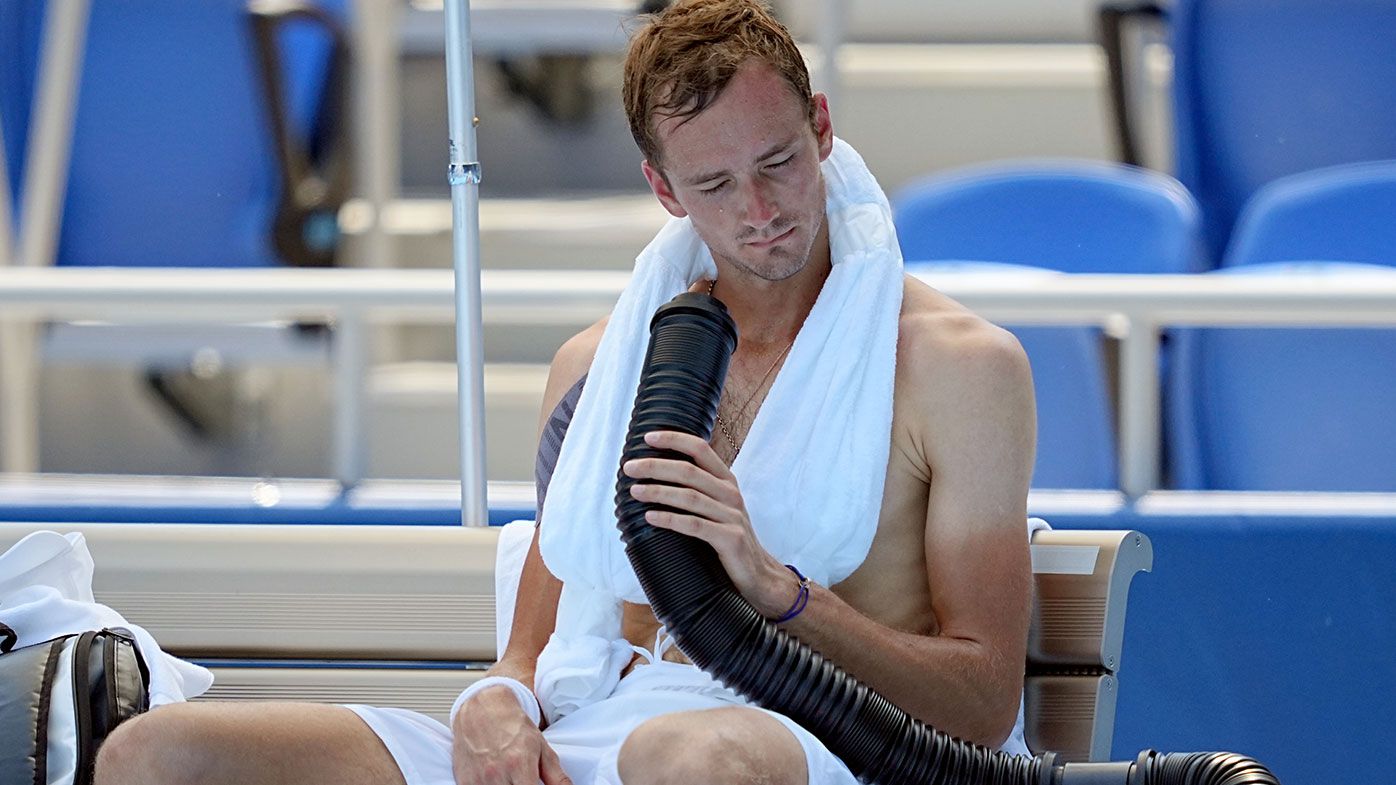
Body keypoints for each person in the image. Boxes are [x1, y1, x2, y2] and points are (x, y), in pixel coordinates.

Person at [94, 2, 1034, 784]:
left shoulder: (959, 368)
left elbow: (985, 706)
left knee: (689, 756)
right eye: (714, 182)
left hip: (794, 742)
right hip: (597, 725)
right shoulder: (600, 363)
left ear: (822, 128)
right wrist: (495, 705)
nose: (760, 211)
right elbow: (529, 654)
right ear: (663, 190)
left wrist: (777, 593)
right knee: (160, 752)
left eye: (780, 163)